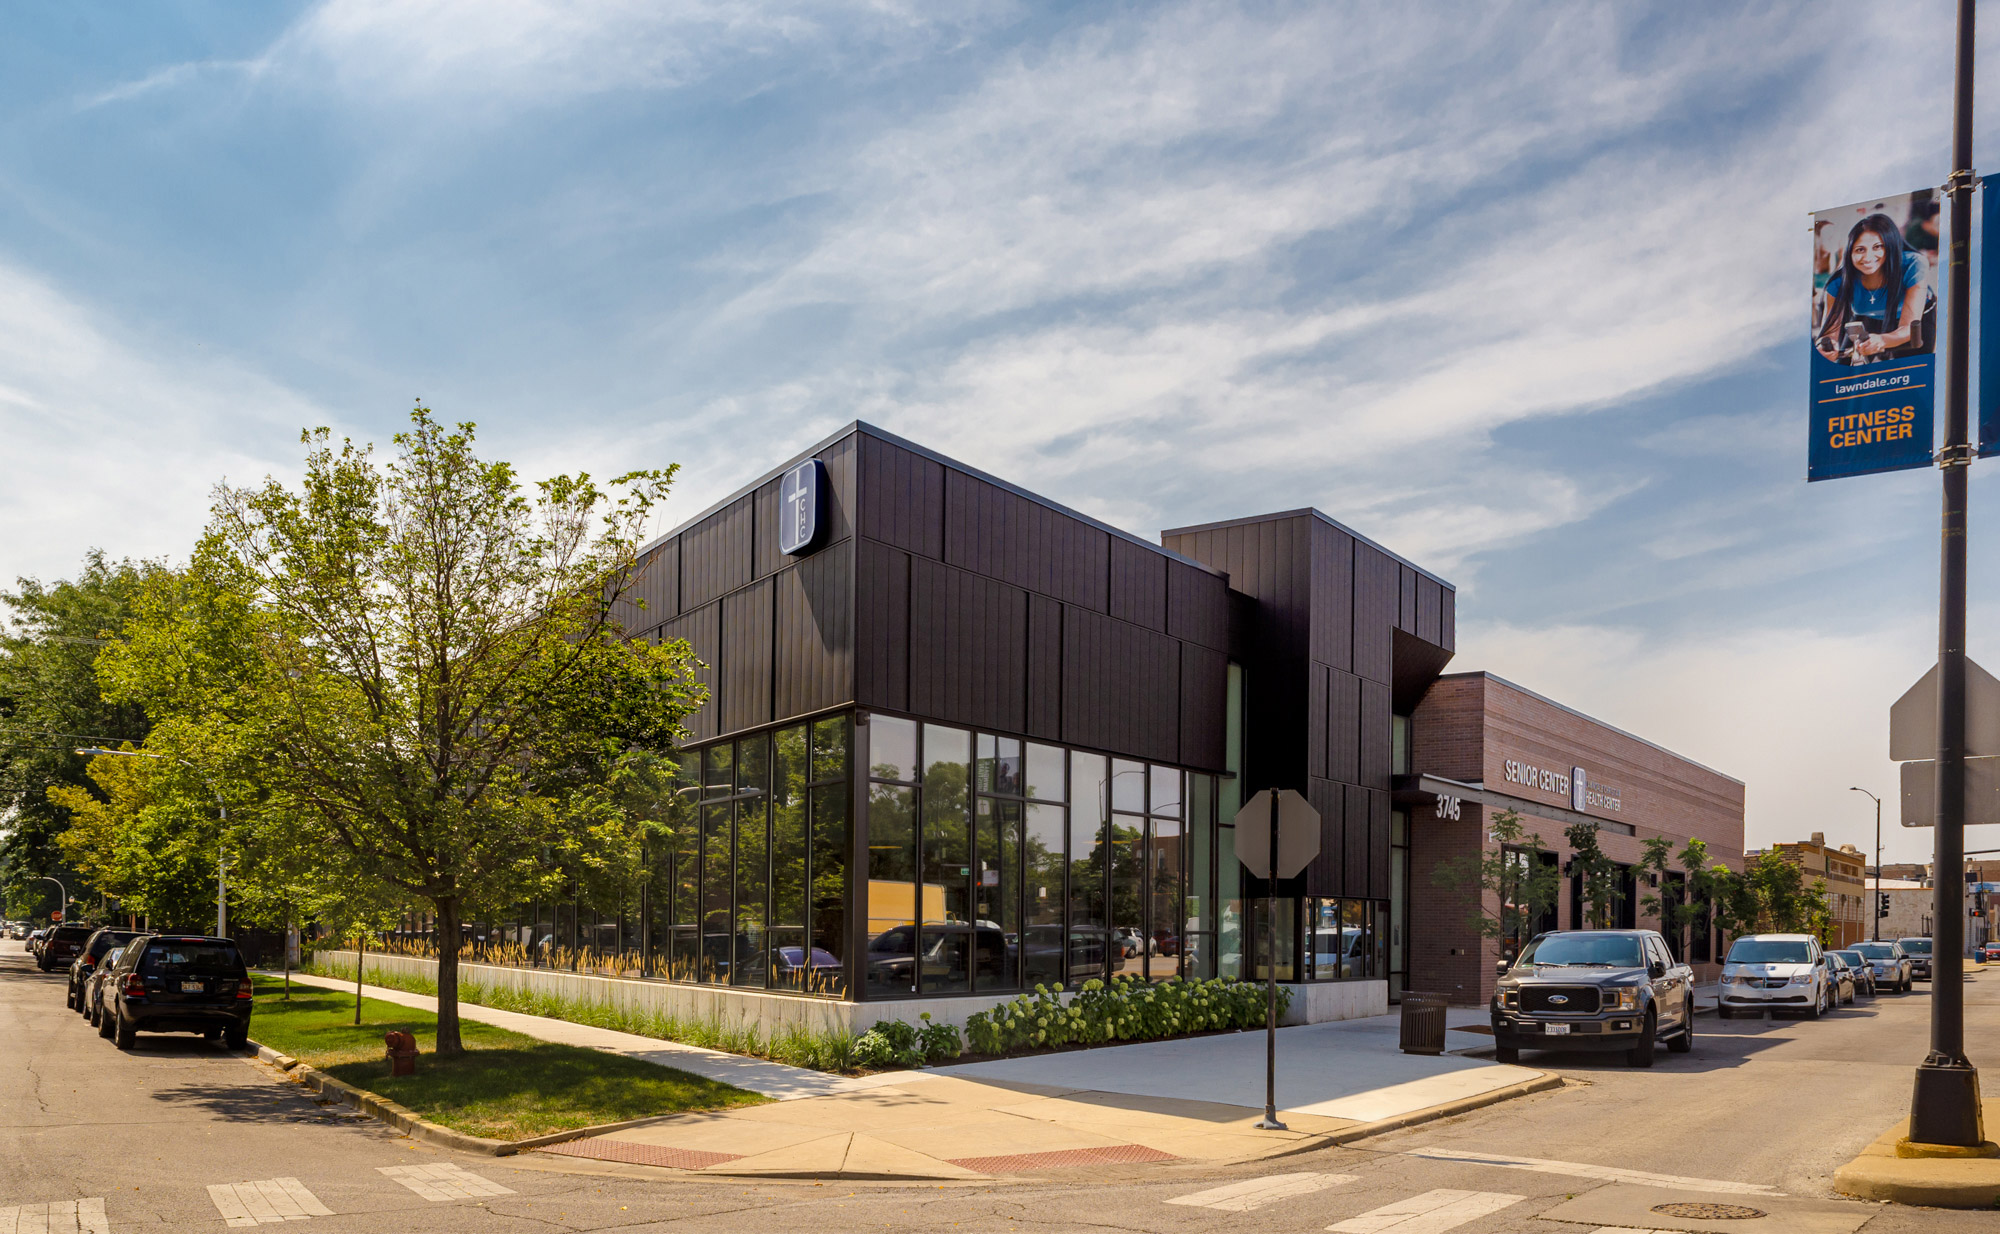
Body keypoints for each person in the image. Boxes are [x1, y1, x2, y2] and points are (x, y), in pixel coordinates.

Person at [1814, 212, 1933, 365]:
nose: (1868, 257)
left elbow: (1908, 328)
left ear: (1890, 247)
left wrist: (1883, 340)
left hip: (1915, 320)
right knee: (1844, 370)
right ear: (1849, 253)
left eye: (1877, 247)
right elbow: (1829, 332)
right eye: (1860, 250)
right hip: (1868, 319)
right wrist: (1828, 346)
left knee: (1914, 374)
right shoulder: (1838, 282)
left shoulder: (1914, 264)